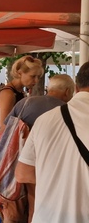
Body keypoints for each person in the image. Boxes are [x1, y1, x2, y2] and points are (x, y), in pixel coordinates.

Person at [15, 64, 89, 223]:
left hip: (46, 216)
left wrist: (56, 180)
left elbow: (23, 173)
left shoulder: (44, 120)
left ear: (76, 87)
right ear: (69, 90)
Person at [6, 74, 75, 223]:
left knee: (12, 209)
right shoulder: (67, 111)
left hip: (14, 162)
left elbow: (5, 128)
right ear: (68, 91)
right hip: (42, 167)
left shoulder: (26, 102)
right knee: (35, 207)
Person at [0, 55, 44, 223]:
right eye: (33, 76)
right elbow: (5, 128)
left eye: (38, 77)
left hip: (16, 150)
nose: (36, 80)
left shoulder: (18, 93)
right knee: (11, 203)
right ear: (20, 73)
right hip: (9, 152)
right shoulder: (9, 94)